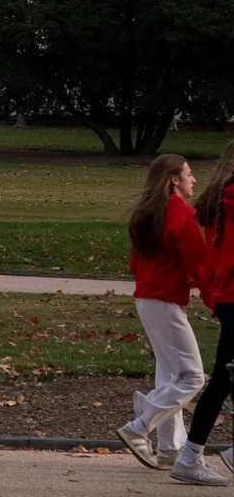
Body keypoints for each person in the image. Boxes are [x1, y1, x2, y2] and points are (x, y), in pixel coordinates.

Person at [120, 153, 208, 476]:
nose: (193, 180)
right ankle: (139, 425)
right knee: (192, 376)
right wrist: (215, 301)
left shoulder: (147, 214)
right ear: (174, 179)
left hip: (147, 298)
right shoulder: (181, 215)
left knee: (171, 374)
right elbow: (199, 265)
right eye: (188, 173)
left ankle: (170, 447)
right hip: (165, 302)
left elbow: (135, 263)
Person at [177, 143, 234, 485]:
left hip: (226, 294)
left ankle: (190, 456)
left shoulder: (218, 199)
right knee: (222, 379)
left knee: (223, 379)